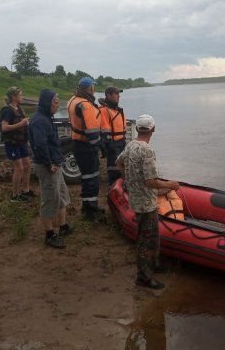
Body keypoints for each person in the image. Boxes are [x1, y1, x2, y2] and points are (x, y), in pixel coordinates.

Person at [116, 114, 179, 289]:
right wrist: (171, 185)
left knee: (152, 234)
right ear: (153, 129)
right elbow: (151, 181)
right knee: (146, 238)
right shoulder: (147, 150)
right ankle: (143, 277)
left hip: (136, 198)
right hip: (145, 203)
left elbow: (118, 162)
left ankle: (154, 264)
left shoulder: (130, 145)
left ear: (136, 129)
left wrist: (129, 179)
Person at [29, 89, 72, 249]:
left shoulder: (47, 117)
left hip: (55, 163)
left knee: (61, 195)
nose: (58, 104)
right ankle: (49, 235)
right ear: (47, 102)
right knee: (49, 199)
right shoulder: (39, 120)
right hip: (47, 166)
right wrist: (49, 164)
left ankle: (63, 227)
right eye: (55, 101)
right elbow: (40, 145)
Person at [67, 77, 104, 220]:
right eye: (93, 87)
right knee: (92, 179)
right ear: (90, 88)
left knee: (86, 177)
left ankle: (87, 207)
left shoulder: (73, 100)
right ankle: (90, 212)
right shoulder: (85, 105)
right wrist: (101, 146)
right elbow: (93, 132)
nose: (94, 89)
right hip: (87, 147)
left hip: (78, 144)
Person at [0, 86, 35, 202]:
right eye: (20, 95)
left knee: (27, 166)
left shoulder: (19, 108)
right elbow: (4, 127)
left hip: (21, 142)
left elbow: (24, 123)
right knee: (19, 168)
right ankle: (15, 195)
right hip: (12, 143)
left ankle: (26, 190)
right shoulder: (7, 110)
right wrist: (21, 124)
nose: (22, 97)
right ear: (14, 97)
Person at [99, 86, 127, 186]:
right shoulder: (104, 110)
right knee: (114, 170)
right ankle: (113, 188)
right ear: (108, 95)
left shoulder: (116, 109)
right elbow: (104, 130)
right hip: (113, 144)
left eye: (118, 94)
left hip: (121, 142)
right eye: (116, 94)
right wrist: (108, 144)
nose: (118, 96)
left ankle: (121, 188)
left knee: (123, 168)